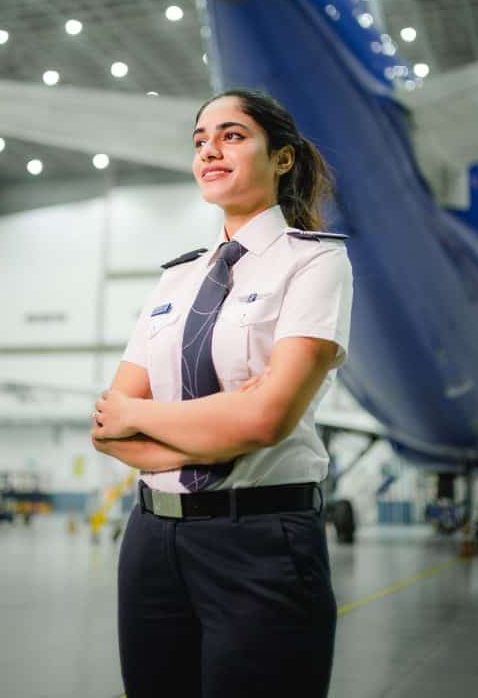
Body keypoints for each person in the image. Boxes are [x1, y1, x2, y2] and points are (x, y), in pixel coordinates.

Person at [91, 88, 354, 698]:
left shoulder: (313, 265)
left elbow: (266, 421)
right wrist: (211, 434)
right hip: (152, 542)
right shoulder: (177, 278)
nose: (210, 148)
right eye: (200, 140)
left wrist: (146, 415)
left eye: (232, 136)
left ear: (282, 158)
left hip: (260, 541)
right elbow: (108, 424)